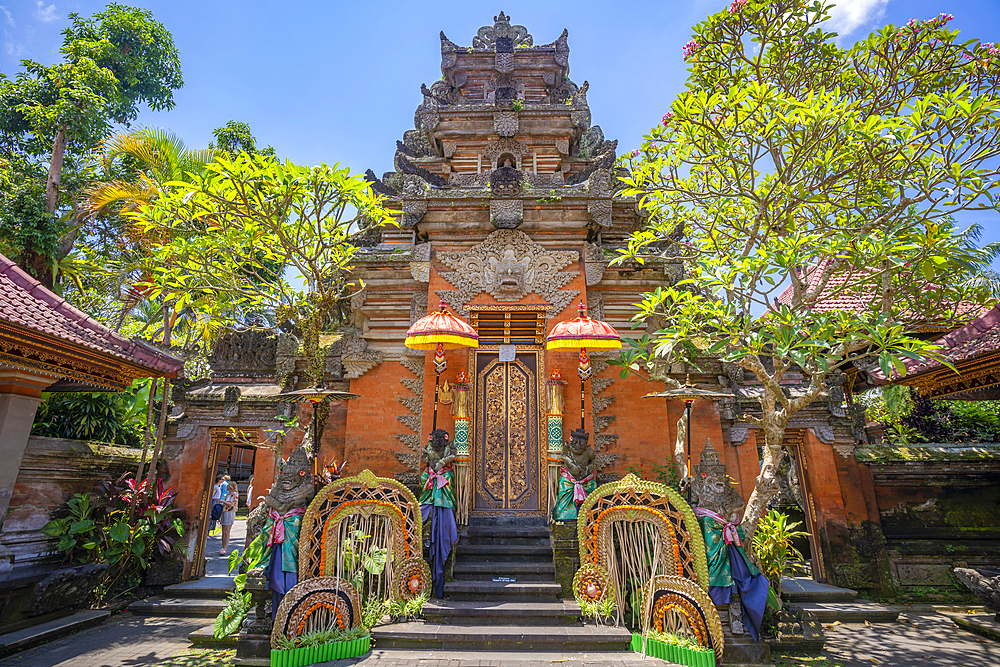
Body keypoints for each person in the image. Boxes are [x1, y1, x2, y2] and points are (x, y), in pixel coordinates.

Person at [219, 483, 239, 555]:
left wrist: (223, 501)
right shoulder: (227, 494)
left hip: (229, 513)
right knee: (223, 531)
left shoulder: (234, 494)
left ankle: (225, 548)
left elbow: (231, 504)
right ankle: (223, 547)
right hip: (225, 512)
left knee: (227, 531)